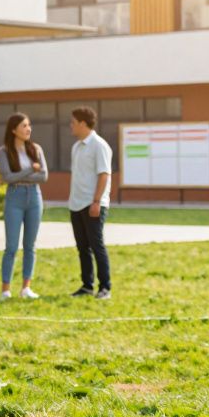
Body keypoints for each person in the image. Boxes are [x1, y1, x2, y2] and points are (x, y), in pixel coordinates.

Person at [0, 113, 47, 300]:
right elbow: (7, 178)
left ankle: (26, 288)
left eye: (29, 125)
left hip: (34, 197)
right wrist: (29, 170)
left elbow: (44, 176)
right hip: (14, 198)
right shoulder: (3, 152)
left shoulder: (36, 149)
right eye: (24, 125)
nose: (29, 129)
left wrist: (22, 174)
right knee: (11, 246)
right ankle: (5, 290)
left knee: (30, 245)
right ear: (13, 129)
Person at [67, 106, 112, 300]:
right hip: (76, 204)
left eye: (73, 123)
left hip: (93, 204)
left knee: (96, 245)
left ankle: (105, 287)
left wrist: (96, 201)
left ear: (83, 124)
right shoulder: (76, 147)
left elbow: (104, 175)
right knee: (82, 247)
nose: (71, 126)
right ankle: (87, 285)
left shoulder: (99, 145)